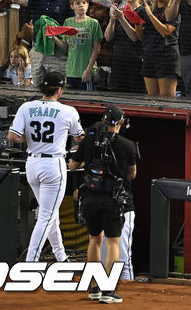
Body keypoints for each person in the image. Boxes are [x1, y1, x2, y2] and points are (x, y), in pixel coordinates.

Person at [7, 71, 84, 262]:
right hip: (53, 164)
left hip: (32, 163)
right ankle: (30, 262)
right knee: (47, 216)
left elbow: (12, 136)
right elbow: (79, 137)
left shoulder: (27, 107)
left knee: (49, 213)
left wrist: (29, 138)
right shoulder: (68, 110)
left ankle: (61, 257)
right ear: (59, 89)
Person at [69, 105, 137, 303]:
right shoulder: (127, 145)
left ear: (104, 120)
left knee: (94, 240)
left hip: (90, 197)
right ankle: (108, 290)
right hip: (112, 199)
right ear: (121, 123)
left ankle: (94, 287)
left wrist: (89, 164)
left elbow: (72, 165)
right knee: (113, 242)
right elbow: (132, 174)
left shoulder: (89, 139)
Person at [139, 0, 180, 97]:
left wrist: (150, 15)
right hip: (149, 56)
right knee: (151, 99)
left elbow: (165, 31)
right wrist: (137, 22)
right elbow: (141, 37)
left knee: (166, 100)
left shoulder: (173, 10)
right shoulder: (150, 8)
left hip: (166, 57)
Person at [61, 0, 103, 91]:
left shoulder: (93, 23)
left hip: (86, 71)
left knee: (86, 100)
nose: (81, 5)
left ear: (88, 5)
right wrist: (53, 36)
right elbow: (65, 47)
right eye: (78, 3)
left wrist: (88, 70)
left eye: (84, 2)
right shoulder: (68, 22)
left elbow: (96, 48)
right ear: (72, 6)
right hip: (71, 71)